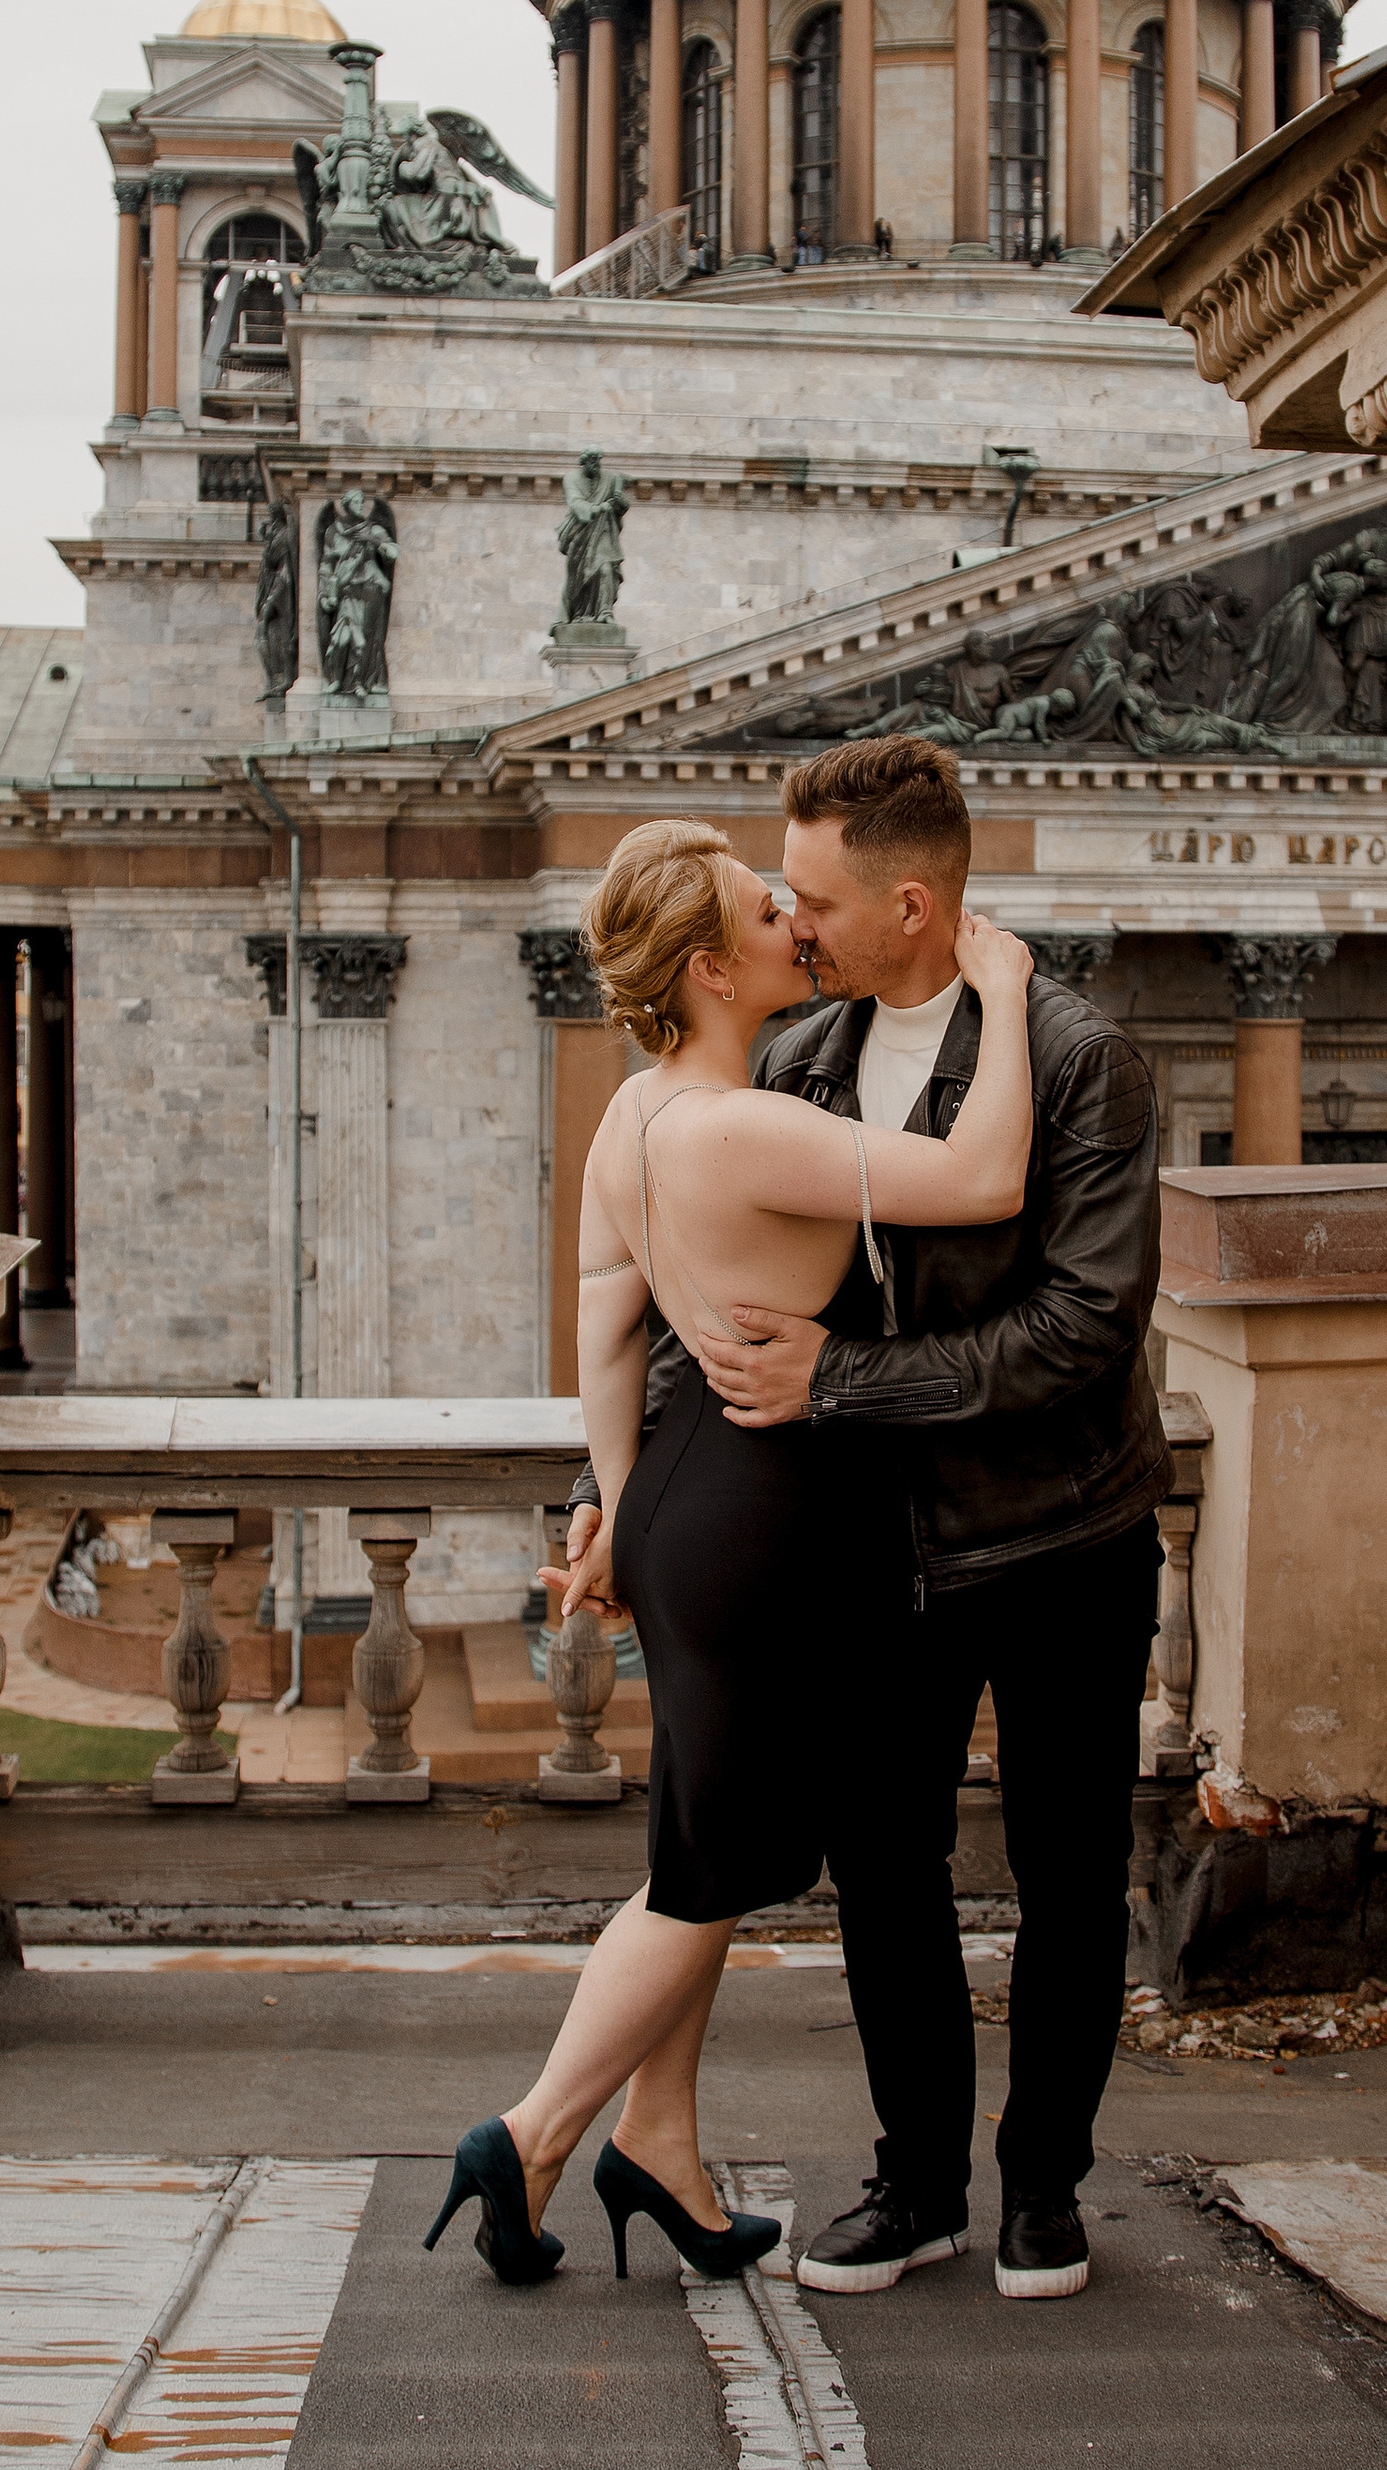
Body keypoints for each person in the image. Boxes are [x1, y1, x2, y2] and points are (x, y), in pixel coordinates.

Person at [424, 816, 1040, 2289]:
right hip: (769, 1504)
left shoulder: (633, 1119)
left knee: (695, 1833)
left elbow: (601, 1329)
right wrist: (1005, 995)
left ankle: (665, 2146)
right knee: (713, 1868)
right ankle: (532, 2134)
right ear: (712, 968)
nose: (794, 919)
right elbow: (985, 1179)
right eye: (769, 910)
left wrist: (623, 1517)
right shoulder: (739, 1123)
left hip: (688, 1498)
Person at [680, 734, 1168, 2305]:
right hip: (870, 1554)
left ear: (910, 900)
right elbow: (725, 1314)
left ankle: (1045, 2190)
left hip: (1063, 1541)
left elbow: (1083, 1328)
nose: (789, 919)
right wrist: (609, 1495)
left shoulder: (1087, 1060)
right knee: (881, 1869)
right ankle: (915, 2187)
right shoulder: (795, 1059)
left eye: (811, 896)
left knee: (1069, 1872)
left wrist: (846, 1385)